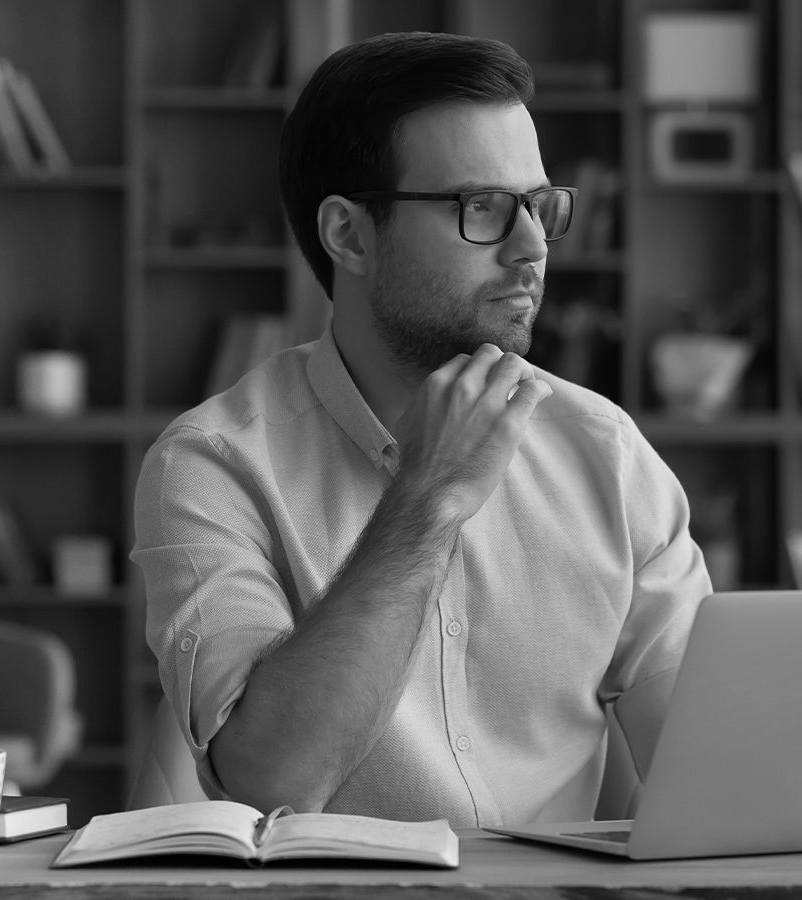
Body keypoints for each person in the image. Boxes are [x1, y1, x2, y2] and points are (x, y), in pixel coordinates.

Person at [131, 31, 711, 827]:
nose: (534, 247)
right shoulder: (212, 465)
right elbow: (272, 782)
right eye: (482, 208)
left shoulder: (605, 454)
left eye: (540, 206)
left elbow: (713, 770)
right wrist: (428, 498)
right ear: (350, 235)